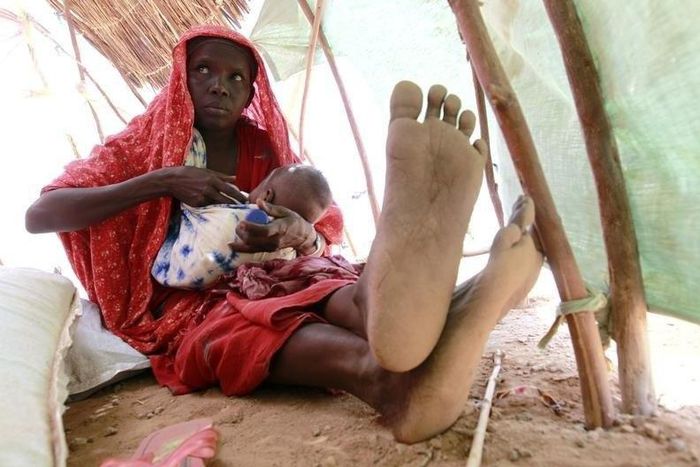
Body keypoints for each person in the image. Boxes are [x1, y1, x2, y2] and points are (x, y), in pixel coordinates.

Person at [25, 25, 543, 443]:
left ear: (252, 91)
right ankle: (393, 373)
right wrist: (162, 181)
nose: (218, 85)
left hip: (279, 270)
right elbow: (43, 213)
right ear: (180, 78)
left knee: (319, 276)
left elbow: (324, 222)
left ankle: (381, 316)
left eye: (236, 77)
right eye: (203, 69)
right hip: (191, 304)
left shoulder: (264, 148)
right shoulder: (140, 146)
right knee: (245, 325)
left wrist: (298, 230)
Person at [152, 163, 332, 290]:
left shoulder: (234, 202)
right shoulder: (289, 249)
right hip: (200, 282)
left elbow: (189, 202)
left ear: (267, 195)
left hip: (168, 270)